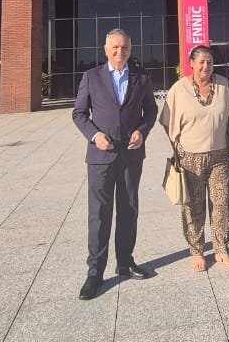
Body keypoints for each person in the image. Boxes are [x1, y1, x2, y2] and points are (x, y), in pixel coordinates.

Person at [72, 29, 158, 300]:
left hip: (131, 155)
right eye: (115, 47)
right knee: (99, 214)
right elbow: (79, 113)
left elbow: (151, 110)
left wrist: (142, 131)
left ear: (130, 49)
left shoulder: (141, 77)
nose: (120, 52)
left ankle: (125, 262)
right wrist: (95, 136)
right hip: (101, 157)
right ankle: (95, 273)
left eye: (125, 47)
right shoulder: (92, 77)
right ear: (106, 49)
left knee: (129, 209)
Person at [159, 45, 229, 272]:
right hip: (190, 157)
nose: (206, 66)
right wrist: (177, 146)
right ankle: (197, 251)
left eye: (210, 62)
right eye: (201, 62)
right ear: (191, 64)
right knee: (193, 206)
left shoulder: (223, 85)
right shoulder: (179, 89)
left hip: (219, 155)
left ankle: (221, 248)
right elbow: (166, 121)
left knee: (221, 203)